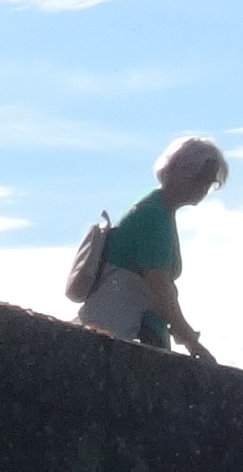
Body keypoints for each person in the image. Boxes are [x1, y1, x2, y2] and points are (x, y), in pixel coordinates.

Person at [77, 136, 228, 356]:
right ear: (178, 170)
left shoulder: (158, 209)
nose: (205, 187)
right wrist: (190, 340)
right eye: (202, 178)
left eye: (210, 182)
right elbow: (160, 287)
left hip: (130, 327)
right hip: (125, 331)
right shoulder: (154, 215)